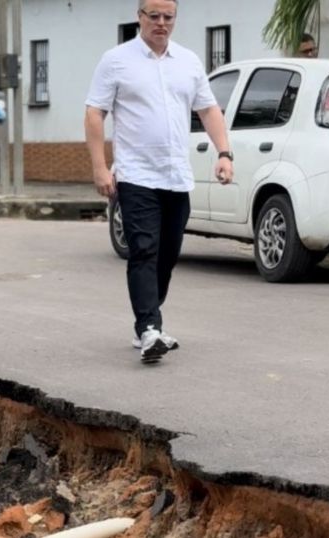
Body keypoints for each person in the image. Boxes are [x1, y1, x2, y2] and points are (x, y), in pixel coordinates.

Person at [84, 0, 233, 363]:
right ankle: (149, 328)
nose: (161, 23)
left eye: (168, 17)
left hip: (176, 176)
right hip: (136, 176)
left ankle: (148, 321)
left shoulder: (188, 61)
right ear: (140, 17)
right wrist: (100, 168)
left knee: (167, 255)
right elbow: (94, 112)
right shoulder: (117, 60)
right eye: (154, 16)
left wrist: (224, 153)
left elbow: (208, 109)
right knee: (144, 250)